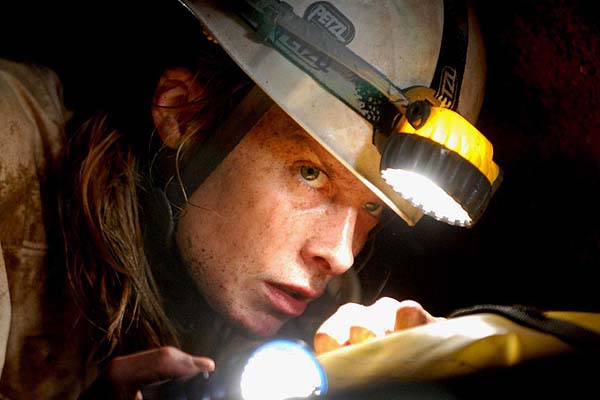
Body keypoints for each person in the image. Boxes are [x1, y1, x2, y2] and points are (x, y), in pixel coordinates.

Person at [0, 0, 488, 398]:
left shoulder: (326, 324)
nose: (340, 256)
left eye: (372, 207)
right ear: (183, 113)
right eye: (310, 173)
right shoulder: (9, 156)